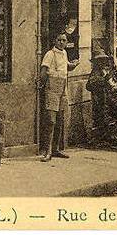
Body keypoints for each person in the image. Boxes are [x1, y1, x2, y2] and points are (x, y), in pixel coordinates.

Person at [38, 32, 80, 162]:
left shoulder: (64, 53)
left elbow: (66, 67)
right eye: (59, 40)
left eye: (64, 40)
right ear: (54, 41)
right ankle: (47, 151)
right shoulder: (50, 54)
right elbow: (44, 71)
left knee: (60, 120)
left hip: (63, 87)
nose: (61, 42)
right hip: (52, 88)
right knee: (50, 121)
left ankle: (56, 149)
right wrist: (43, 85)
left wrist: (74, 65)